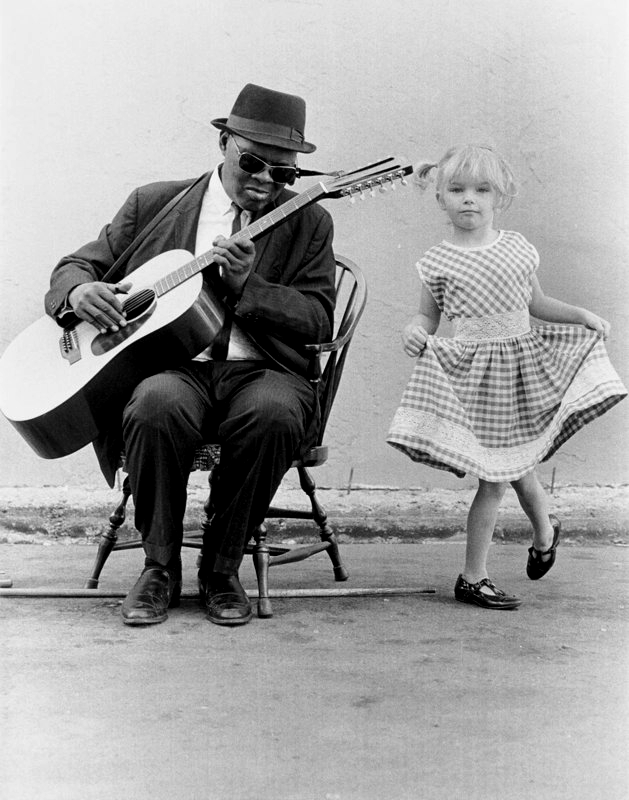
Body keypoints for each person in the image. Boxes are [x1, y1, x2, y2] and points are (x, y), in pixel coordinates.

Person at [45, 83, 337, 627]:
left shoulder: (308, 220)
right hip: (175, 367)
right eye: (253, 162)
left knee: (274, 414)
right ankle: (159, 567)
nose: (265, 180)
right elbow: (78, 265)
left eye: (283, 173)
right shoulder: (156, 203)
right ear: (224, 143)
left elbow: (319, 318)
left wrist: (248, 288)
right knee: (154, 405)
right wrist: (79, 292)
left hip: (265, 369)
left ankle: (221, 568)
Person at [387, 144, 626, 609]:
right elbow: (426, 316)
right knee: (496, 478)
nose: (469, 198)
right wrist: (413, 332)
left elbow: (537, 303)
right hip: (477, 380)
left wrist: (581, 315)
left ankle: (544, 534)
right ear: (440, 198)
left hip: (522, 372)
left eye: (482, 190)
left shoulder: (516, 248)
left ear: (500, 198)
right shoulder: (437, 261)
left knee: (517, 469)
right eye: (456, 189)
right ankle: (474, 576)